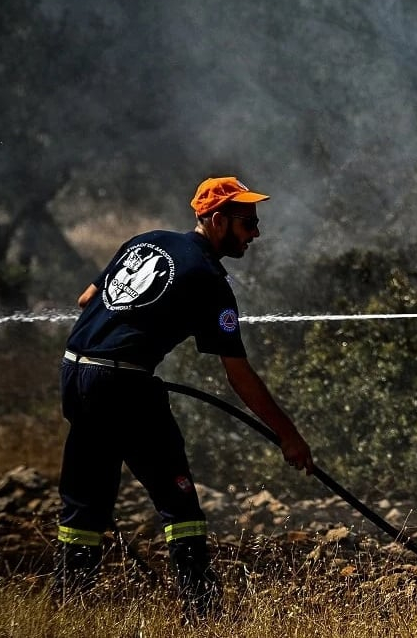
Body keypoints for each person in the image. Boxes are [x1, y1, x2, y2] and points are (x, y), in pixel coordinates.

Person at [54, 176, 314, 621]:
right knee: (179, 504)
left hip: (74, 373)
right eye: (247, 223)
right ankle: (204, 614)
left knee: (86, 502)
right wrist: (289, 437)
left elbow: (85, 300)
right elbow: (239, 375)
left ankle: (67, 606)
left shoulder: (146, 241)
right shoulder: (209, 280)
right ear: (216, 220)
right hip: (122, 385)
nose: (256, 233)